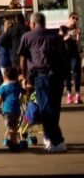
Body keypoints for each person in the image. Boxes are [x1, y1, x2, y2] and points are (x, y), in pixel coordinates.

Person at [16, 11, 67, 153]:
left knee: (45, 109)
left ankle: (56, 140)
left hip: (41, 77)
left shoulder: (27, 37)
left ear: (32, 23)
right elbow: (63, 57)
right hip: (57, 76)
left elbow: (23, 59)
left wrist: (23, 77)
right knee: (54, 108)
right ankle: (51, 137)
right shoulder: (55, 37)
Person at [0, 67, 22, 148]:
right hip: (17, 110)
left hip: (8, 111)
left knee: (10, 128)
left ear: (4, 77)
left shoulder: (3, 88)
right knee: (15, 126)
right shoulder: (17, 85)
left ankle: (14, 143)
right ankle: (14, 141)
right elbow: (22, 91)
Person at [62, 16, 81, 104]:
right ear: (69, 18)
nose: (75, 20)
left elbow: (77, 43)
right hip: (65, 54)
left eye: (76, 19)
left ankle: (77, 94)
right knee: (66, 74)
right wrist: (69, 34)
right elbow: (61, 39)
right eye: (73, 18)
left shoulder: (76, 29)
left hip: (74, 54)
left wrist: (78, 35)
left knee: (77, 72)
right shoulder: (63, 28)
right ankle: (69, 94)